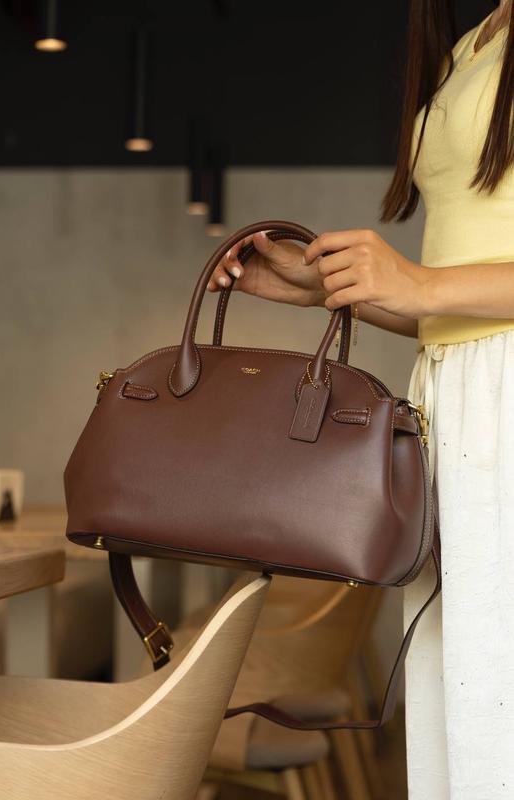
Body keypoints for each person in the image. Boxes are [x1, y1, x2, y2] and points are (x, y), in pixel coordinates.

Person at [206, 2, 514, 798]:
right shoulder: (473, 42)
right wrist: (332, 288)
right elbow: (460, 307)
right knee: (471, 700)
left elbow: (441, 293)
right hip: (460, 390)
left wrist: (423, 284)